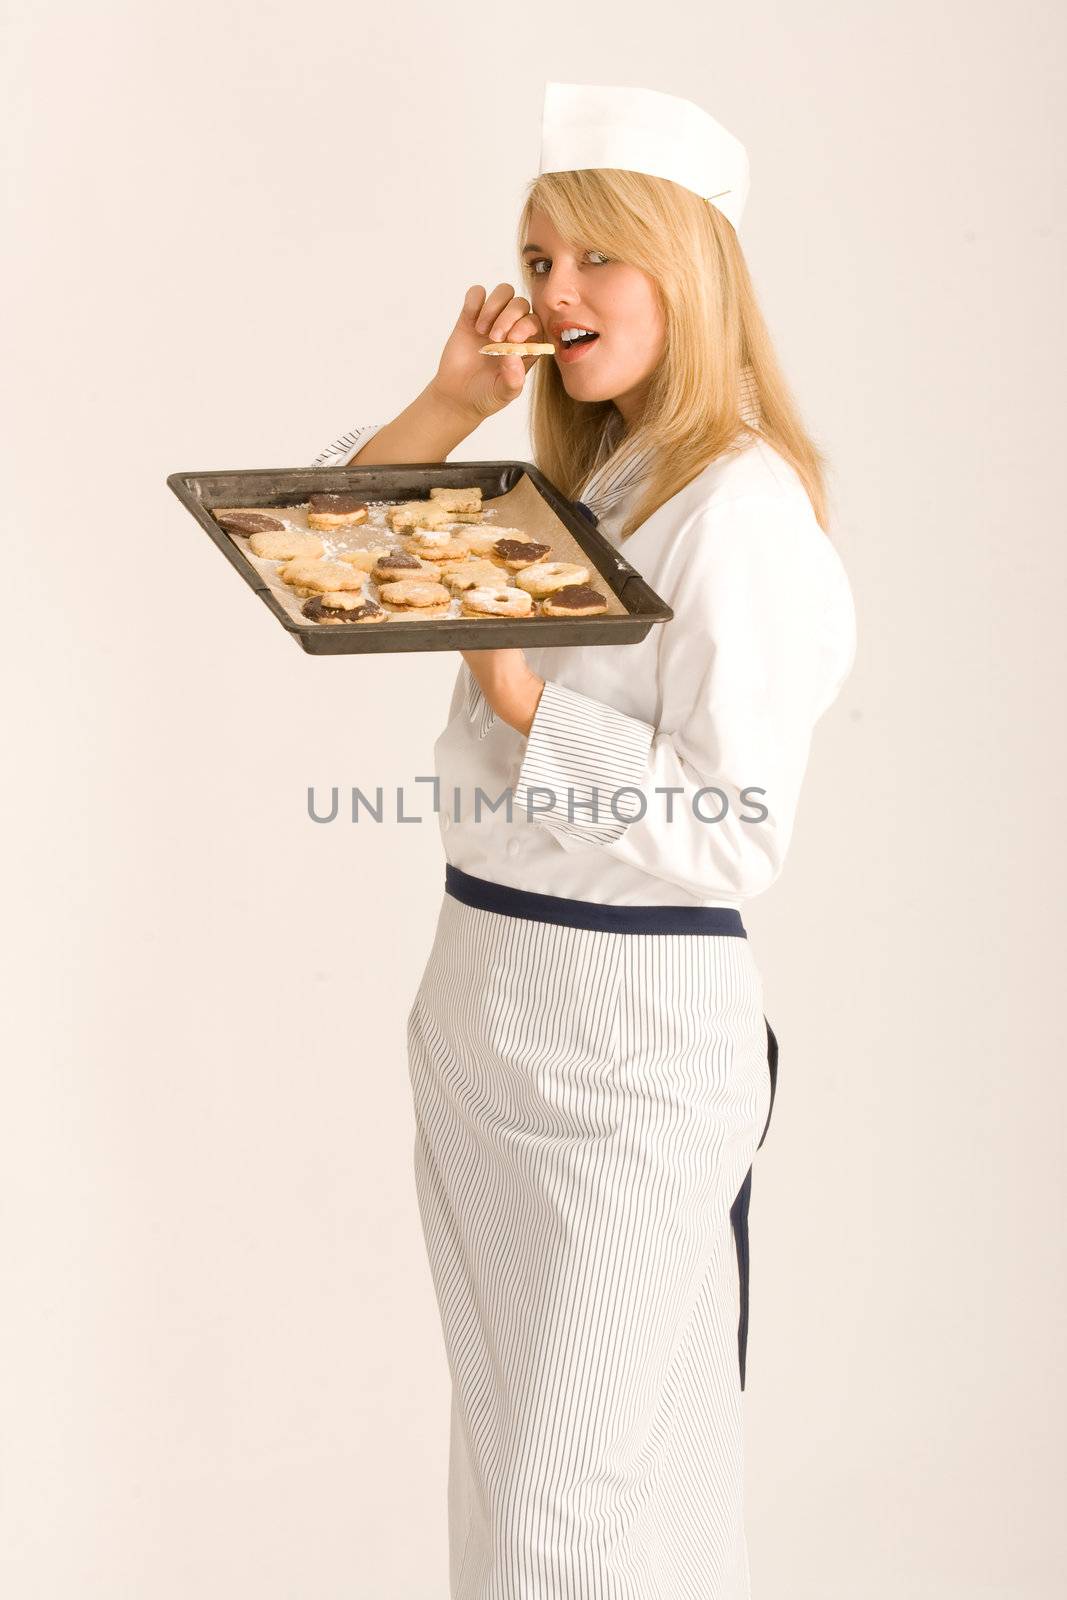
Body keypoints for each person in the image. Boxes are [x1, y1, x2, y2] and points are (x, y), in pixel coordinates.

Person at [313, 80, 856, 1600]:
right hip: (482, 1008)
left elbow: (737, 830)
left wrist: (518, 685)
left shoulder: (739, 506)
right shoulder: (574, 474)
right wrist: (448, 410)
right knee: (522, 1491)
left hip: (633, 1048)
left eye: (592, 261)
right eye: (538, 257)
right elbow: (339, 556)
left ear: (685, 266)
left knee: (569, 1507)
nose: (555, 294)